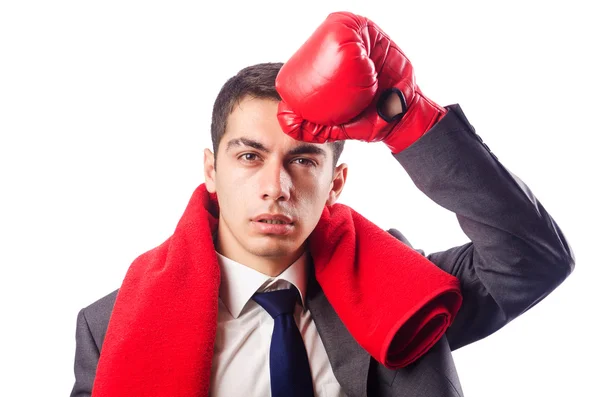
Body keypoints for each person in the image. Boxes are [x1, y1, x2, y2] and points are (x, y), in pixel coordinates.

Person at [70, 11, 574, 397]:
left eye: (304, 161)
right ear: (211, 172)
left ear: (336, 183)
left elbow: (532, 260)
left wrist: (408, 119)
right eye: (250, 156)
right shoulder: (110, 326)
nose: (276, 186)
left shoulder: (403, 293)